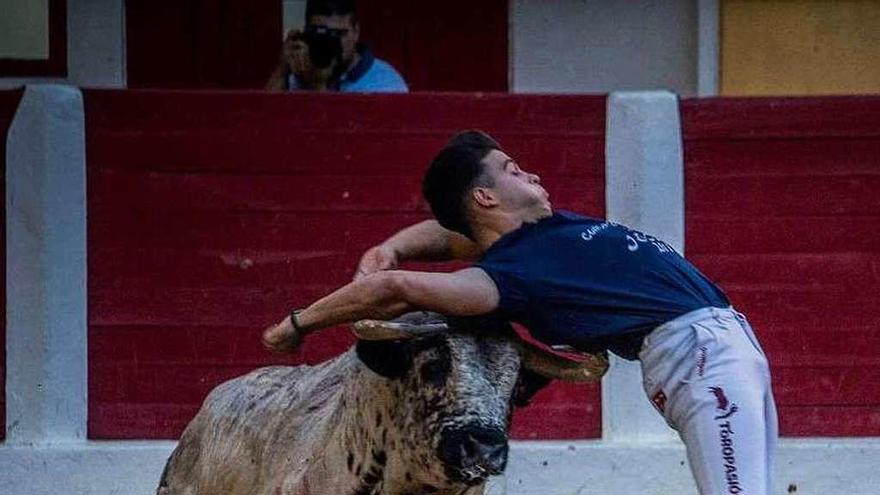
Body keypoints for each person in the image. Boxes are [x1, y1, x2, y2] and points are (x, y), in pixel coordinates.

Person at [262, 130, 778, 494]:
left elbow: (445, 238)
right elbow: (394, 290)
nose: (529, 171)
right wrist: (298, 322)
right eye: (511, 169)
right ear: (486, 196)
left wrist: (392, 245)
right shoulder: (503, 279)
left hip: (718, 350)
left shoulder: (537, 236)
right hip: (698, 356)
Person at [265, 0, 408, 93]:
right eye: (320, 33)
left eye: (338, 34)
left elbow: (336, 135)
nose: (329, 42)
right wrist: (283, 68)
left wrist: (317, 86)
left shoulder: (384, 82)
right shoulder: (300, 69)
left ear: (356, 32)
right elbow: (263, 119)